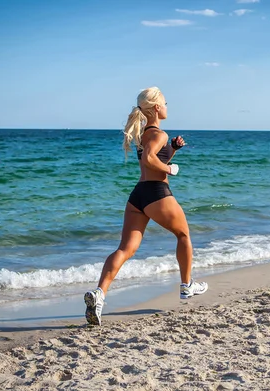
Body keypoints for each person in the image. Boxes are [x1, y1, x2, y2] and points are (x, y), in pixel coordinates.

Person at [83, 86, 208, 326]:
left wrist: (171, 150)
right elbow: (152, 161)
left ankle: (99, 294)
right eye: (166, 103)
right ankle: (186, 286)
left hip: (137, 197)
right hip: (156, 193)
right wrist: (170, 169)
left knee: (125, 249)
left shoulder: (144, 135)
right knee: (183, 234)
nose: (168, 107)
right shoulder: (158, 134)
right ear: (157, 108)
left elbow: (152, 159)